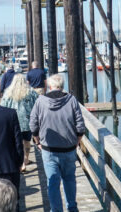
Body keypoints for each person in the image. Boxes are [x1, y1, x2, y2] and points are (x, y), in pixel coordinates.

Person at [29, 74, 85, 212]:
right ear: (63, 86)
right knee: (69, 179)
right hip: (69, 148)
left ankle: (56, 210)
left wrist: (37, 142)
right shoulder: (71, 100)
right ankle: (72, 208)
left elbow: (33, 125)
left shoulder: (40, 101)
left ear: (49, 86)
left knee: (53, 182)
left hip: (49, 149)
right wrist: (76, 142)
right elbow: (80, 126)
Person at [1, 74, 39, 172]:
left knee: (16, 143)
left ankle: (20, 163)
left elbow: (3, 106)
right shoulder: (31, 92)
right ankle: (25, 159)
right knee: (27, 141)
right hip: (27, 121)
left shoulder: (8, 93)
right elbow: (38, 104)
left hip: (13, 122)